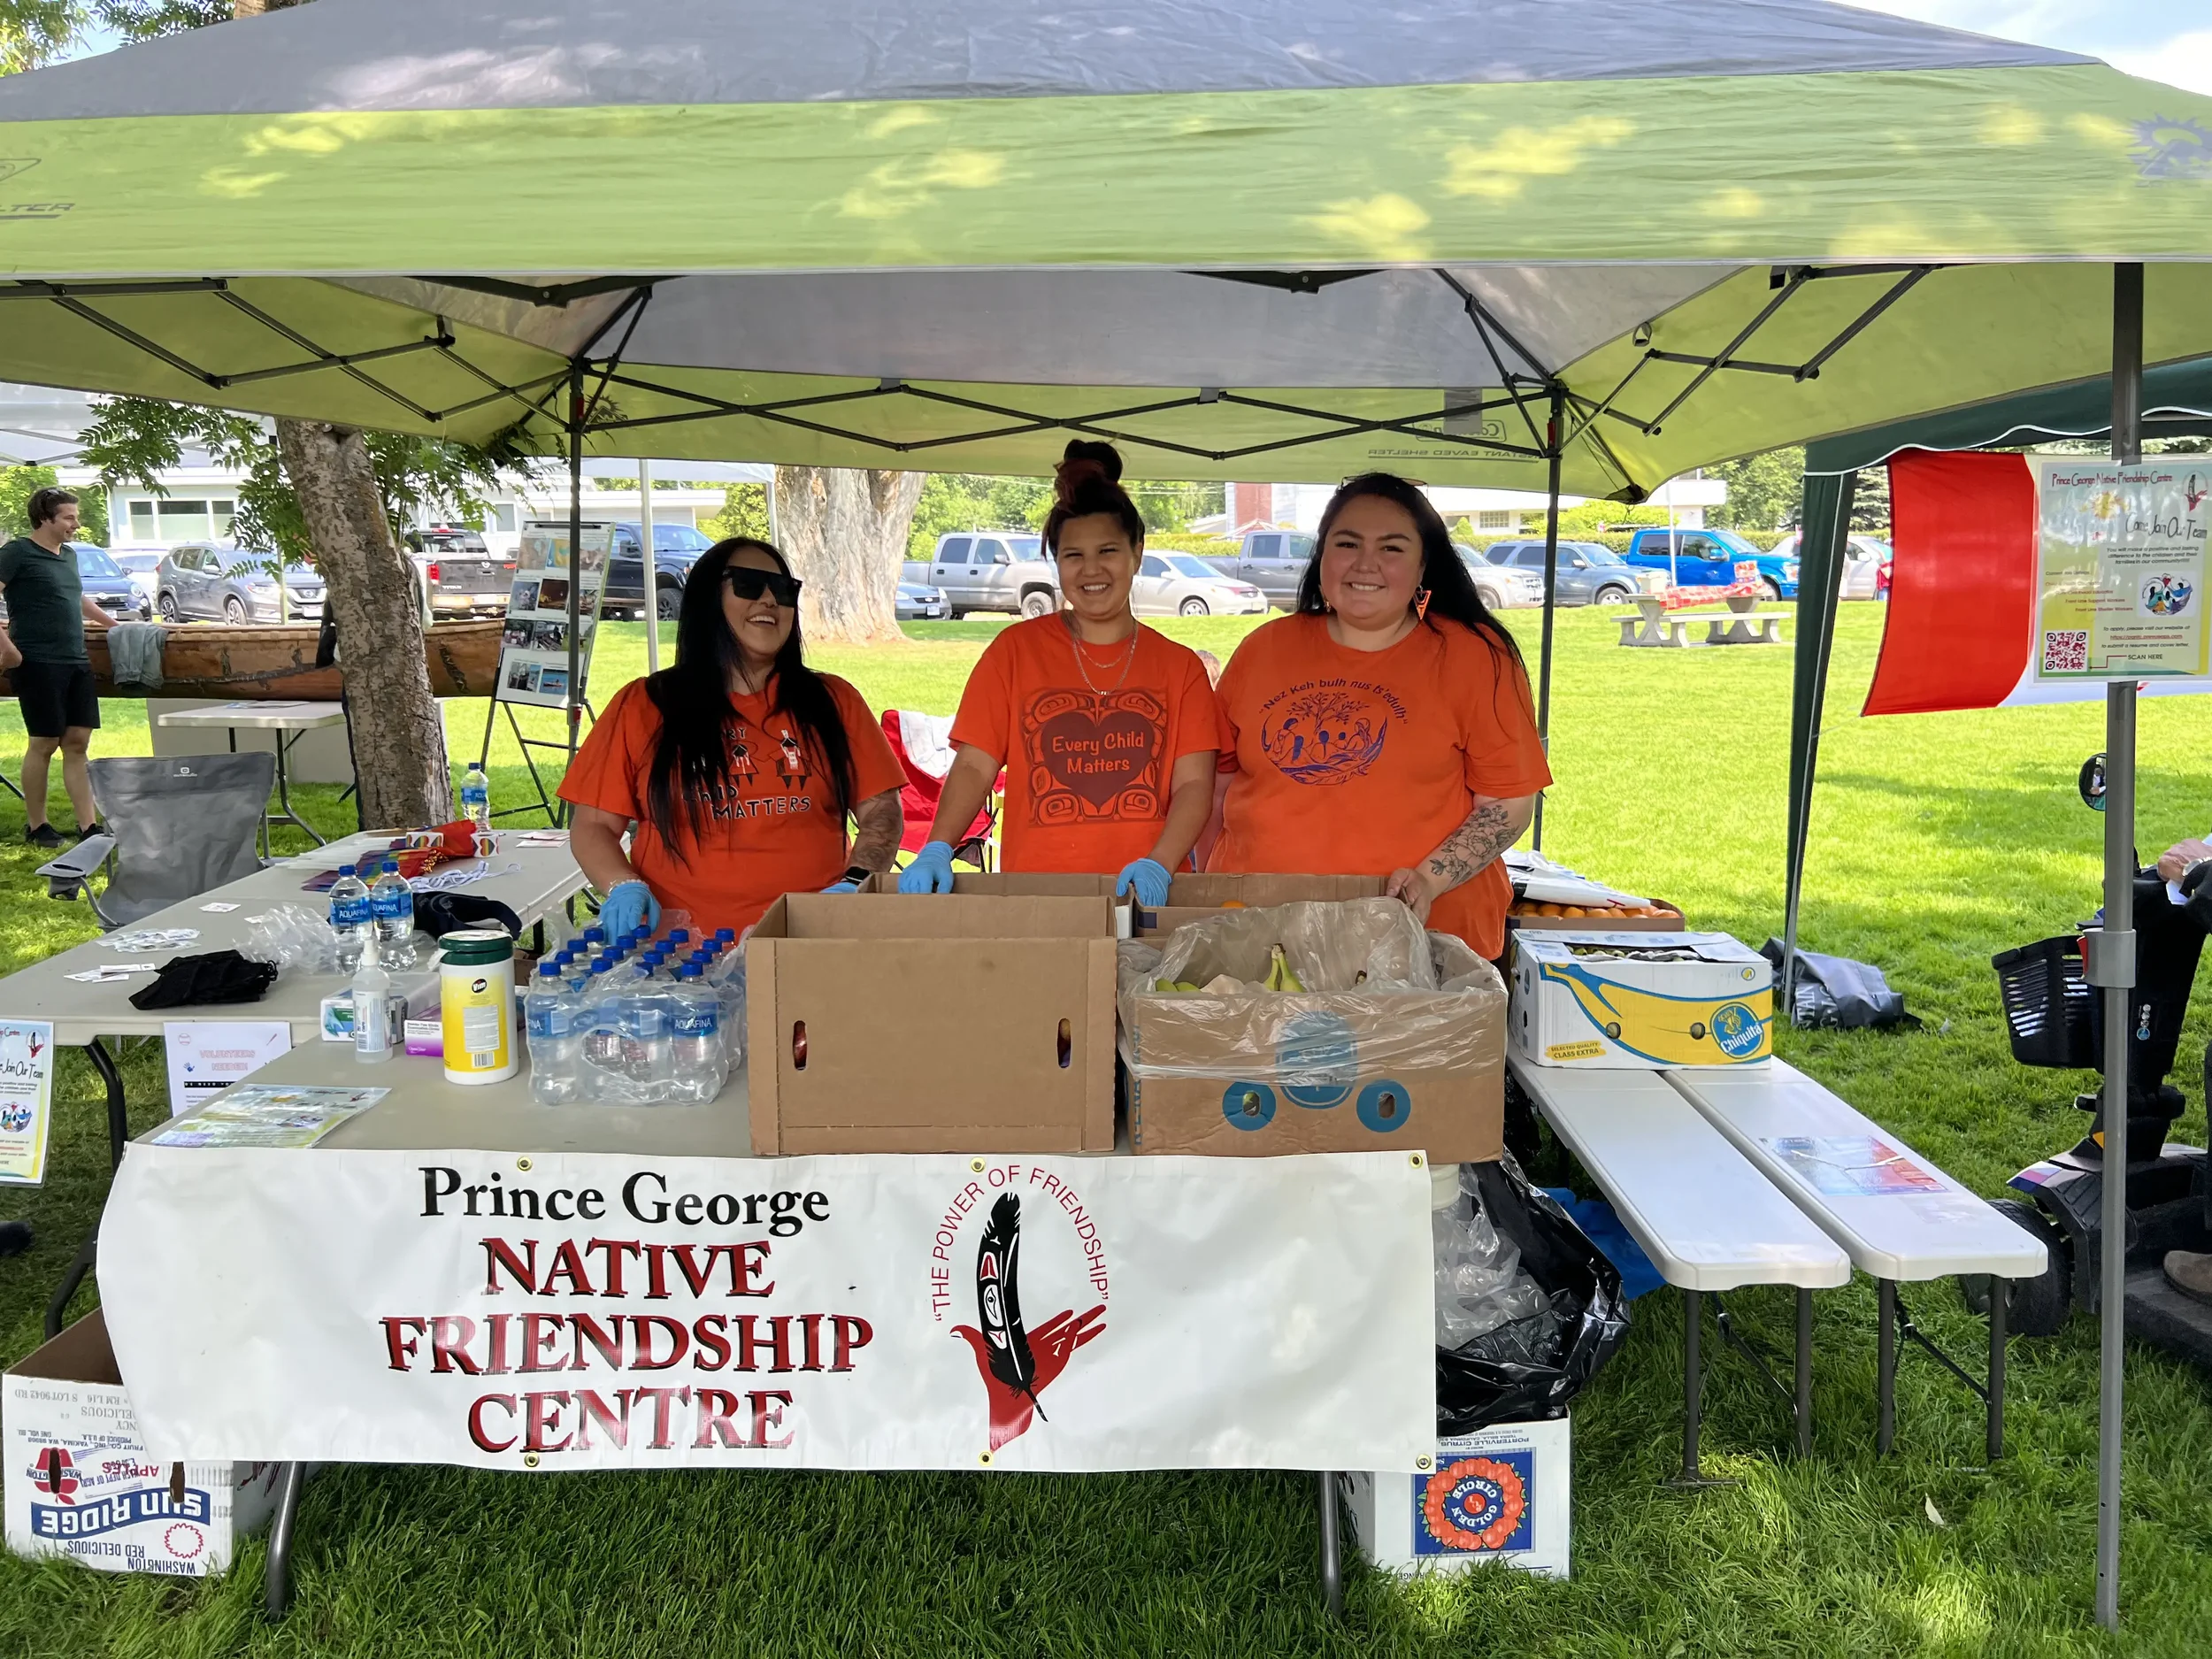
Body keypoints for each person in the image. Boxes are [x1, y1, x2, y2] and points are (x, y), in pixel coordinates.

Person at [1209, 473, 1549, 961]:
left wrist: (1428, 882)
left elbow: (1508, 802)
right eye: (1347, 543)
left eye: (1392, 548)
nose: (1365, 564)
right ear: (1322, 555)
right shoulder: (1263, 649)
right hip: (1265, 935)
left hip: (1426, 946)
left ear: (1423, 565)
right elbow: (1217, 784)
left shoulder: (1474, 657)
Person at [900, 442, 1219, 904]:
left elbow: (1194, 785)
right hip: (1037, 897)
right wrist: (936, 846)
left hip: (1146, 896)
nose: (1092, 570)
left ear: (1137, 552)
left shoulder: (1180, 667)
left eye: (1108, 550)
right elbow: (974, 765)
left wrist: (1160, 863)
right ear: (1056, 562)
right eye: (1073, 556)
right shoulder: (1015, 652)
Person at [560, 538, 906, 938]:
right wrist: (624, 885)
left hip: (809, 942)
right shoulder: (644, 705)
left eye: (782, 590)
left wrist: (857, 881)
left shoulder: (833, 700)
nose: (768, 601)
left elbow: (882, 809)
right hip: (680, 957)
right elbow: (593, 826)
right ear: (709, 598)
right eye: (747, 585)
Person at [0, 488, 113, 848]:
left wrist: (114, 626)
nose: (76, 524)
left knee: (77, 742)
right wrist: (9, 652)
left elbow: (75, 596)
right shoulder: (17, 552)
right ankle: (37, 827)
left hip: (75, 660)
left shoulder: (69, 556)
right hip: (37, 661)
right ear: (45, 519)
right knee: (45, 742)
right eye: (68, 517)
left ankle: (88, 827)